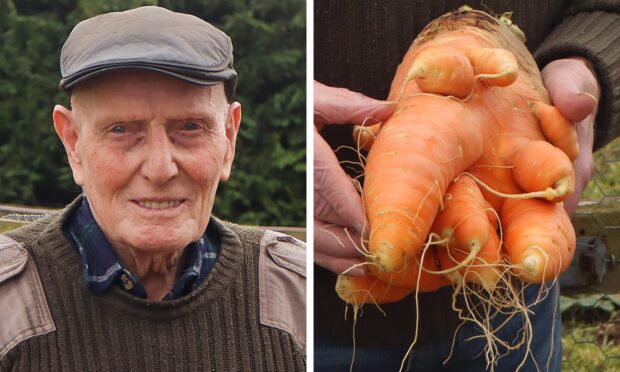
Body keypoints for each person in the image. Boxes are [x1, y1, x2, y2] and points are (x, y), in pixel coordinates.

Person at [314, 1, 617, 371]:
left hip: (515, 296)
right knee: (395, 248)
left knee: (526, 257)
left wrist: (586, 65)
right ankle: (394, 247)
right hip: (316, 315)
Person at [0, 6, 305, 371]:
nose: (160, 168)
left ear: (228, 138)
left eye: (190, 127)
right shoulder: (9, 306)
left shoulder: (295, 298)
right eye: (121, 130)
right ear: (73, 143)